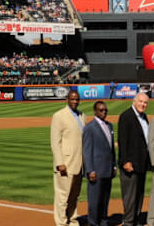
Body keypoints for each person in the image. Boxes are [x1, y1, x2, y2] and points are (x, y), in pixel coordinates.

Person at [51, 90, 85, 226]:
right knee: (62, 197)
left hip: (79, 162)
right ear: (67, 99)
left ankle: (72, 220)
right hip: (65, 163)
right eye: (72, 99)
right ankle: (61, 223)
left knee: (74, 196)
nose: (75, 101)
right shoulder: (59, 116)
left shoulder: (82, 115)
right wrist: (60, 162)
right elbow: (55, 141)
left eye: (77, 99)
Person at [118, 92, 151, 226]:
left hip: (141, 163)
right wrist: (125, 161)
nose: (143, 104)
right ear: (134, 101)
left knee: (139, 194)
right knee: (130, 197)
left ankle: (135, 220)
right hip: (130, 164)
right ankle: (128, 222)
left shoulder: (144, 117)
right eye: (141, 101)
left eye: (145, 103)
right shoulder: (126, 116)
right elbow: (122, 141)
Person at [83, 101, 116, 226]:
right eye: (101, 110)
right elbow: (87, 151)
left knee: (104, 199)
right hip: (96, 170)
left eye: (105, 110)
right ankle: (93, 223)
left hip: (107, 169)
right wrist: (90, 170)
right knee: (94, 201)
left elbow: (111, 148)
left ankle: (103, 222)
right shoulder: (90, 127)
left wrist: (114, 165)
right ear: (95, 111)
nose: (104, 112)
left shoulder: (110, 126)